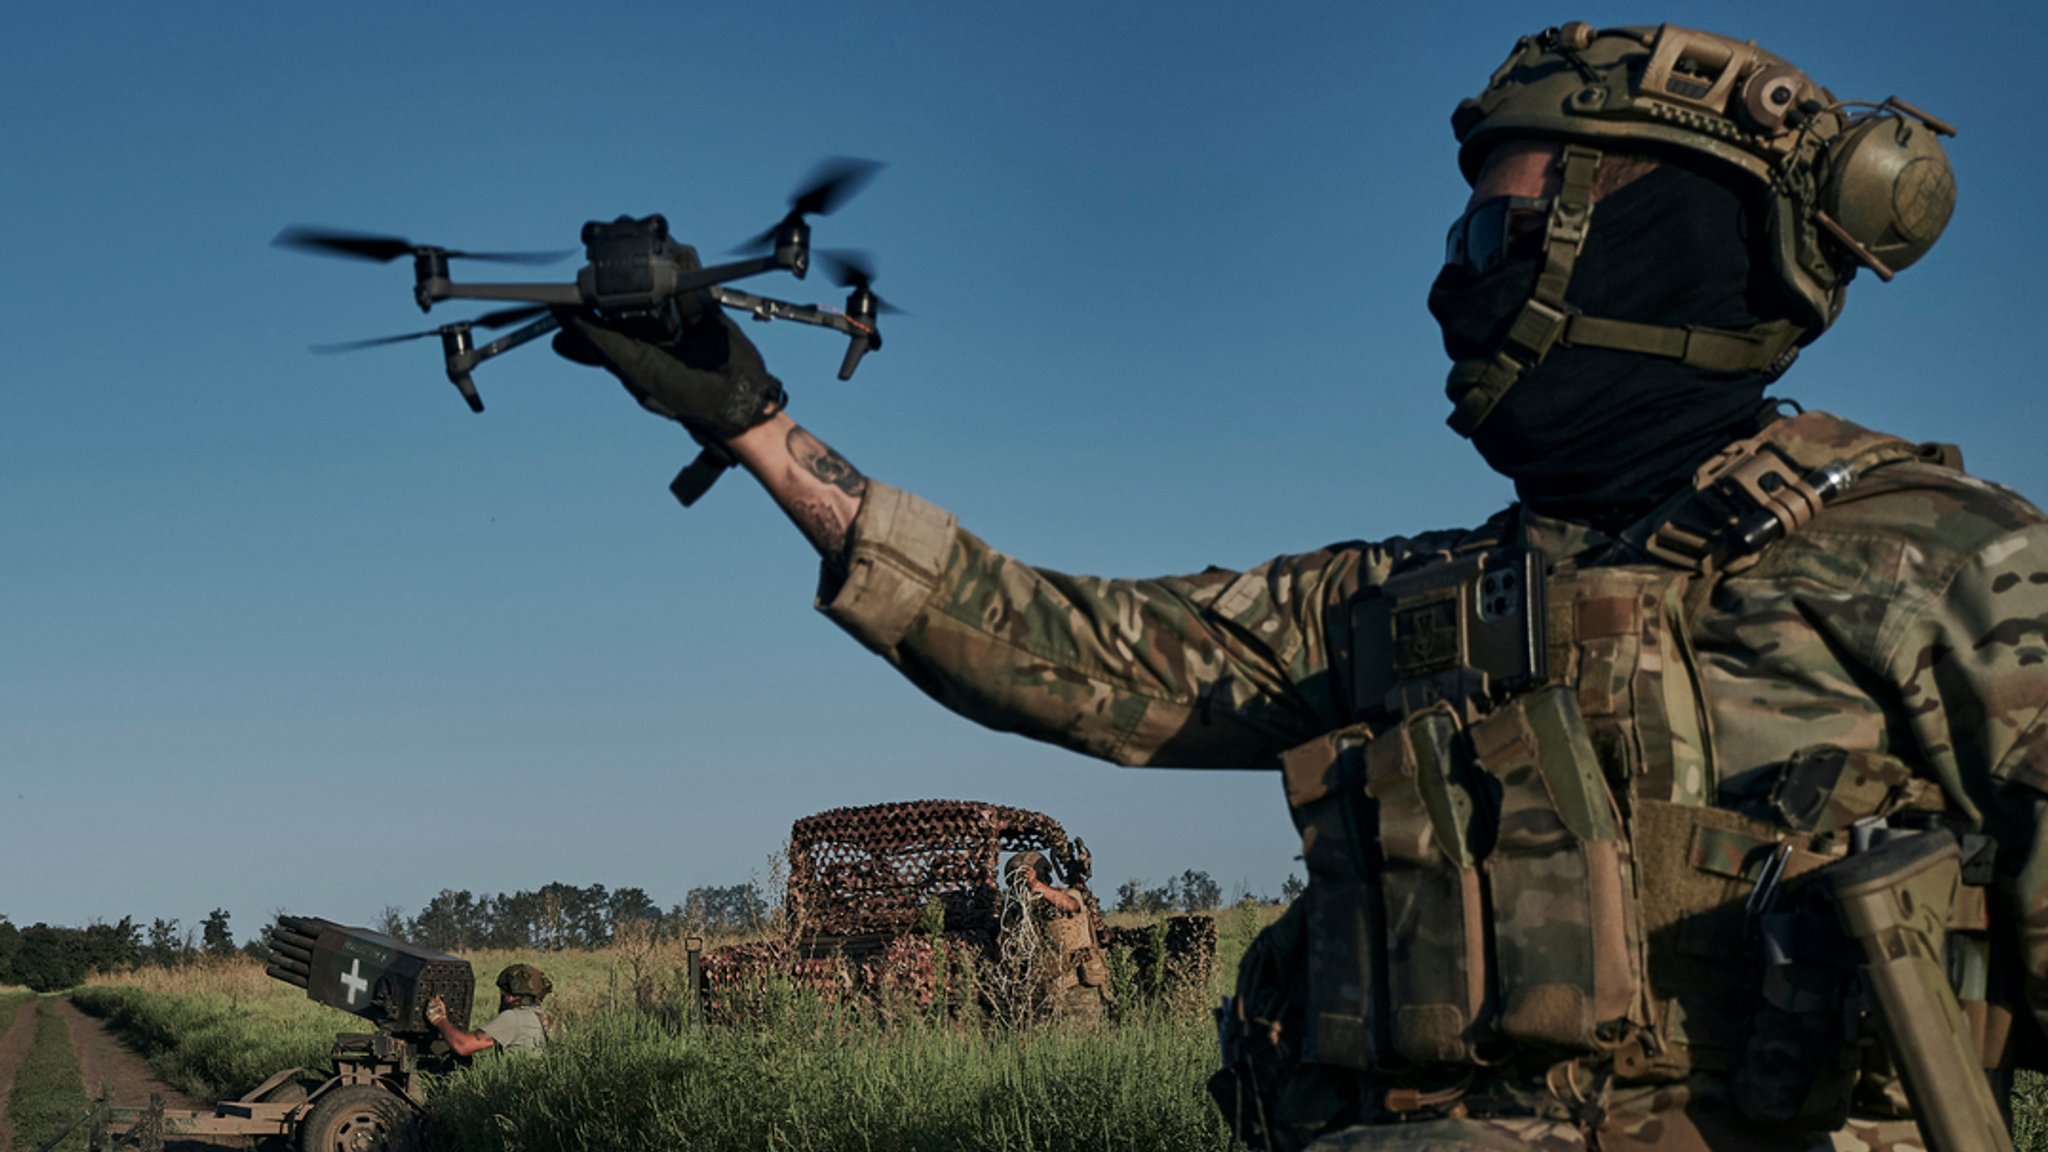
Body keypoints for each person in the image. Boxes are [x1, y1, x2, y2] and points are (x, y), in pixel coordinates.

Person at [552, 22, 2046, 1152]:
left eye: (1498, 233)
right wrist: (750, 426)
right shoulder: (1408, 604)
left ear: (1656, 242)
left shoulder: (1934, 554)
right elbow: (1065, 650)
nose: (1454, 280)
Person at [1002, 850, 1112, 1019]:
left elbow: (1070, 905)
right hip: (1047, 986)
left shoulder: (1067, 895)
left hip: (1079, 984)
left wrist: (1036, 885)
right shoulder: (1020, 912)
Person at [425, 963, 553, 1055]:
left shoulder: (513, 1018)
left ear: (509, 997)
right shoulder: (544, 1016)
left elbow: (463, 1046)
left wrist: (439, 1019)